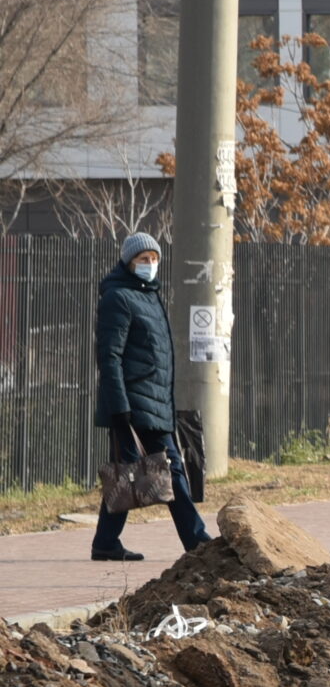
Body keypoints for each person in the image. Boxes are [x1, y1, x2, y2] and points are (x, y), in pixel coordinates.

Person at [91, 232, 212, 562]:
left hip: (154, 401)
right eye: (143, 259)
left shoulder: (149, 295)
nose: (150, 265)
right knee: (171, 471)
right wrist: (120, 409)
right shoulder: (118, 297)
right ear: (129, 262)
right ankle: (198, 541)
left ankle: (105, 542)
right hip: (135, 403)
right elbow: (110, 356)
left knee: (128, 472)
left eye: (155, 259)